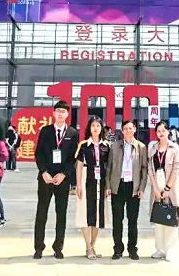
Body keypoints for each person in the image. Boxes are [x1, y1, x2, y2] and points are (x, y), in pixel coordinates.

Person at [33, 101, 78, 259]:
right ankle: (38, 247)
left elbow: (73, 157)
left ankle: (58, 247)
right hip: (46, 178)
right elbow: (38, 153)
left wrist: (64, 174)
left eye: (63, 111)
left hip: (62, 179)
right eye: (57, 111)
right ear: (53, 113)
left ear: (67, 114)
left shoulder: (73, 133)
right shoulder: (46, 131)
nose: (60, 114)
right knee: (42, 212)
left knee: (61, 214)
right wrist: (43, 172)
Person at [106, 118, 148, 261]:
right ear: (122, 131)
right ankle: (118, 249)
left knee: (132, 220)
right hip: (118, 186)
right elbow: (109, 168)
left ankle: (132, 249)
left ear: (134, 130)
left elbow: (144, 169)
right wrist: (108, 186)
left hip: (133, 187)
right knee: (117, 220)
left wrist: (142, 188)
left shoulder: (141, 147)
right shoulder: (114, 146)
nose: (128, 131)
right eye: (125, 129)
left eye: (131, 128)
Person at [148, 120, 179, 262]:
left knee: (170, 217)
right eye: (158, 131)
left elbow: (176, 168)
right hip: (157, 186)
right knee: (159, 217)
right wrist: (155, 189)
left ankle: (170, 250)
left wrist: (167, 189)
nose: (161, 133)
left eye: (163, 131)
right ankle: (160, 249)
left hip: (170, 186)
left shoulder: (174, 148)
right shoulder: (153, 148)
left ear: (168, 132)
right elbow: (150, 168)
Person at [75, 116, 111, 259]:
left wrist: (108, 186)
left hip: (101, 183)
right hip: (86, 181)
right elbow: (79, 166)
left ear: (101, 128)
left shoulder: (106, 146)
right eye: (93, 125)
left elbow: (109, 167)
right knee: (85, 214)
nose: (95, 128)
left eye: (98, 125)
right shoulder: (84, 145)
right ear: (89, 128)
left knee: (98, 215)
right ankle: (88, 247)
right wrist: (78, 185)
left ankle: (93, 245)